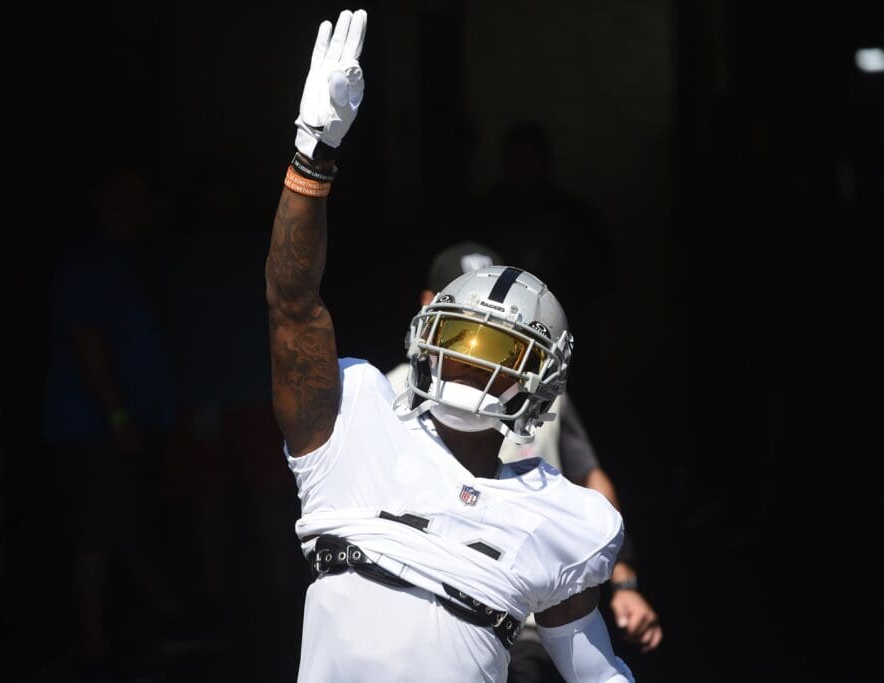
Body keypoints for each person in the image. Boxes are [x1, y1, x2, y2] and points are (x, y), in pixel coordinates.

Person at [265, 10, 633, 682]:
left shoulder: (560, 516)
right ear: (426, 337)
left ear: (538, 383)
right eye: (462, 339)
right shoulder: (354, 427)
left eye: (500, 351)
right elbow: (293, 305)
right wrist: (312, 153)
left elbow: (598, 673)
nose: (474, 361)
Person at [387, 241, 663, 680]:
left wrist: (624, 581)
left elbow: (591, 481)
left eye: (502, 341)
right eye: (465, 330)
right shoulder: (389, 396)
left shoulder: (541, 398)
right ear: (430, 310)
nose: (477, 354)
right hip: (414, 600)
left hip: (524, 620)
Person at [42, 161, 180, 680]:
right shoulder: (86, 263)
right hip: (92, 426)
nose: (137, 211)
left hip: (126, 424)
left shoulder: (130, 260)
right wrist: (118, 414)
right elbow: (87, 342)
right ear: (101, 203)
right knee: (98, 533)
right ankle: (98, 644)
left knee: (121, 520)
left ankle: (156, 618)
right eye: (126, 200)